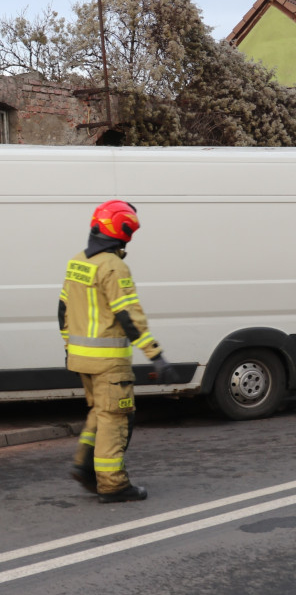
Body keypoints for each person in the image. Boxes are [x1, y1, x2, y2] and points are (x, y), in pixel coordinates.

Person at [58, 200, 178, 503]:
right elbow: (128, 316)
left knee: (100, 413)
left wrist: (69, 347)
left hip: (81, 358)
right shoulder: (114, 266)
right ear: (123, 233)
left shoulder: (77, 262)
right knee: (116, 419)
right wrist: (156, 355)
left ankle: (84, 466)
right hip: (109, 363)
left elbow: (62, 310)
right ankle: (113, 484)